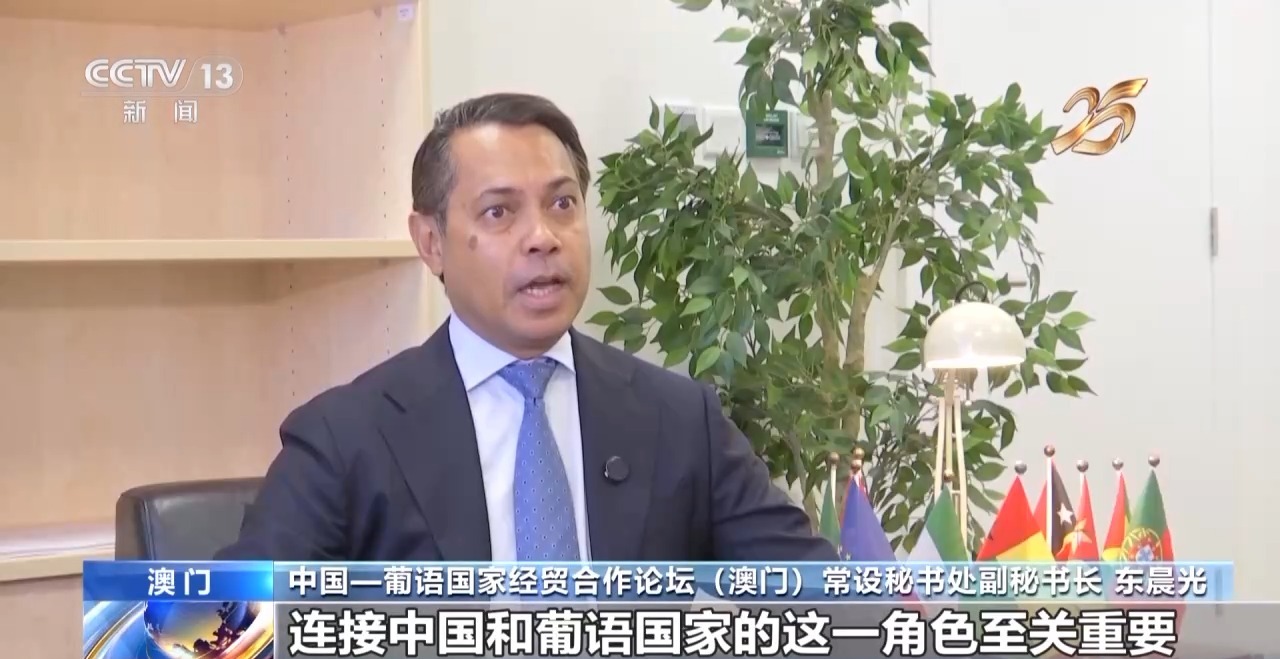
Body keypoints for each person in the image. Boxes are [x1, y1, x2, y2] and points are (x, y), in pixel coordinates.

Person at [216, 92, 837, 563]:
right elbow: (228, 635)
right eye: (499, 212)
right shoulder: (346, 438)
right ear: (431, 242)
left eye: (563, 204)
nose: (542, 237)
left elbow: (821, 601)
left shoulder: (680, 420)